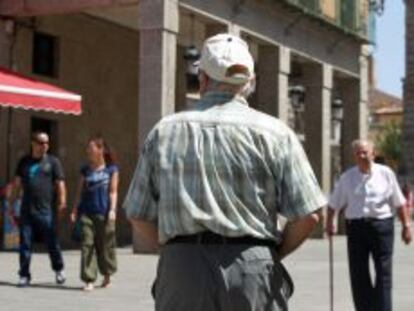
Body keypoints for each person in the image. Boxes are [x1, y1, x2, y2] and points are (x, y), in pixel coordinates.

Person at [124, 34, 326, 311]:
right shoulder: (276, 133)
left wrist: (174, 251)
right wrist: (269, 254)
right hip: (253, 265)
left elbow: (137, 213)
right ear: (249, 83)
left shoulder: (165, 131)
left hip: (182, 267)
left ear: (202, 79)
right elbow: (309, 216)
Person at [326, 139, 412, 311]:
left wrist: (406, 226)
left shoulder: (386, 173)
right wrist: (330, 223)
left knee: (384, 274)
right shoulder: (347, 178)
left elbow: (399, 202)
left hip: (382, 228)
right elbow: (333, 204)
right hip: (356, 228)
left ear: (373, 153)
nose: (361, 155)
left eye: (365, 152)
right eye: (358, 153)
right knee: (358, 274)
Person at [8, 131, 66, 287]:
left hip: (45, 211)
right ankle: (24, 275)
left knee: (52, 242)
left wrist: (62, 202)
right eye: (41, 142)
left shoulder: (53, 162)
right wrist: (10, 204)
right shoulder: (24, 162)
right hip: (27, 210)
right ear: (33, 143)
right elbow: (17, 184)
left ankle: (59, 269)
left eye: (47, 143)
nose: (44, 146)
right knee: (25, 243)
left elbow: (60, 183)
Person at [70, 136, 119, 291]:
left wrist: (112, 210)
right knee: (87, 244)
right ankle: (89, 279)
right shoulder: (85, 170)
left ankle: (107, 275)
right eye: (88, 148)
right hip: (87, 213)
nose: (88, 151)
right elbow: (79, 192)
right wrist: (75, 209)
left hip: (104, 213)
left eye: (91, 148)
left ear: (101, 150)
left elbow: (113, 191)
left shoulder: (111, 170)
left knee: (105, 246)